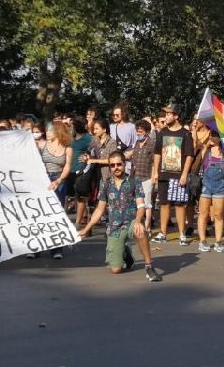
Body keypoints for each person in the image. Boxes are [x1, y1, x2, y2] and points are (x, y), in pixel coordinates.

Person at [78, 150, 161, 282]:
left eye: (119, 164)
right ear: (110, 167)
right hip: (114, 227)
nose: (116, 168)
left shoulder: (135, 181)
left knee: (140, 231)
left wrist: (139, 221)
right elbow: (99, 209)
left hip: (131, 221)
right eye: (113, 165)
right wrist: (86, 229)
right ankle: (125, 252)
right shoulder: (105, 184)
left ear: (124, 164)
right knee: (116, 270)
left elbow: (141, 206)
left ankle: (149, 266)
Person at [152, 103, 194, 246]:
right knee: (164, 203)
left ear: (176, 116)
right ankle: (163, 233)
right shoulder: (162, 133)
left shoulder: (185, 134)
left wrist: (184, 174)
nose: (166, 116)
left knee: (179, 204)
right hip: (164, 173)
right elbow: (157, 153)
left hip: (178, 175)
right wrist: (155, 172)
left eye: (169, 114)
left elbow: (189, 155)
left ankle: (182, 234)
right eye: (166, 113)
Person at [35, 120, 73, 260]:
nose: (47, 133)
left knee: (56, 215)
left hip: (59, 180)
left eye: (50, 131)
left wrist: (58, 181)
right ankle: (36, 247)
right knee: (39, 214)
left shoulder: (67, 148)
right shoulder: (42, 144)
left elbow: (67, 167)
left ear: (58, 132)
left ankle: (57, 249)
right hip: (42, 180)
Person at [195, 128, 224, 253]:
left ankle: (218, 241)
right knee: (203, 214)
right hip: (206, 185)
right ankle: (202, 240)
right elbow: (196, 143)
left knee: (219, 215)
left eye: (214, 136)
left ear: (220, 138)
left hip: (220, 186)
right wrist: (196, 130)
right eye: (211, 136)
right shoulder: (206, 150)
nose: (212, 138)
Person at [128, 119, 157, 230]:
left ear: (147, 132)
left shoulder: (152, 144)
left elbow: (155, 162)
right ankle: (139, 224)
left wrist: (154, 176)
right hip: (135, 176)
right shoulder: (137, 143)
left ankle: (147, 227)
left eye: (141, 131)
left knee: (147, 204)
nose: (138, 133)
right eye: (137, 131)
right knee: (137, 203)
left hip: (147, 177)